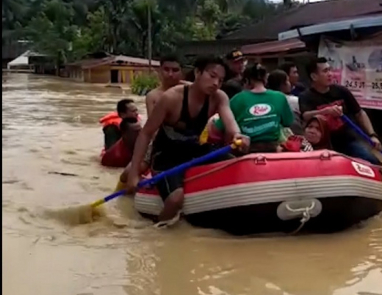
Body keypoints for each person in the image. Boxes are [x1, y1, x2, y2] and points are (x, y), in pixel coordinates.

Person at [125, 55, 250, 228]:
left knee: (236, 165)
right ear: (198, 73)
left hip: (195, 149)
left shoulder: (219, 97)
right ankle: (155, 232)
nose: (216, 83)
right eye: (212, 76)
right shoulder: (170, 98)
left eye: (220, 80)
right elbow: (146, 133)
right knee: (176, 198)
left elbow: (230, 123)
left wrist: (238, 135)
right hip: (167, 154)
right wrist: (133, 175)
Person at [298, 57, 382, 166]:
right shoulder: (306, 96)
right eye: (325, 71)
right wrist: (326, 111)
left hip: (347, 140)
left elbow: (360, 113)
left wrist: (372, 135)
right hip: (322, 144)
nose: (330, 74)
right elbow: (306, 116)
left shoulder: (341, 91)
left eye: (330, 70)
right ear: (314, 76)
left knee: (374, 163)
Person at [116, 55, 184, 190]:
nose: (170, 74)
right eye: (166, 70)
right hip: (160, 140)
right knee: (126, 175)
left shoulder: (191, 89)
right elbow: (153, 128)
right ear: (159, 71)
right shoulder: (153, 96)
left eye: (175, 70)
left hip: (188, 139)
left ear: (182, 72)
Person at [230, 63, 294, 153]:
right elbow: (288, 121)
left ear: (246, 81)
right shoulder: (280, 97)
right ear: (265, 78)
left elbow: (221, 126)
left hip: (246, 152)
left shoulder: (237, 99)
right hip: (274, 150)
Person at [267, 69, 302, 135]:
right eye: (287, 80)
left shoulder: (265, 100)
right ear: (282, 84)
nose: (289, 83)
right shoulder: (293, 100)